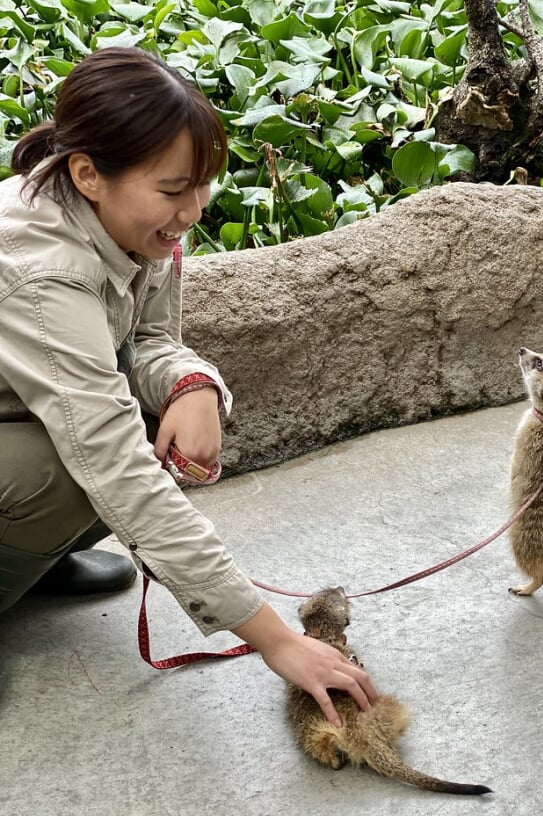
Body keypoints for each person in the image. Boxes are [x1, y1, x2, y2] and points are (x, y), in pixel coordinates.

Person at [0, 47, 376, 724]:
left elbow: (144, 342)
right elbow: (111, 465)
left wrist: (192, 384)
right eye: (174, 190)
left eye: (204, 185)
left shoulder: (136, 220)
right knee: (71, 472)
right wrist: (277, 641)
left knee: (152, 425)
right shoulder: (41, 268)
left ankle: (30, 564)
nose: (194, 211)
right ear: (88, 174)